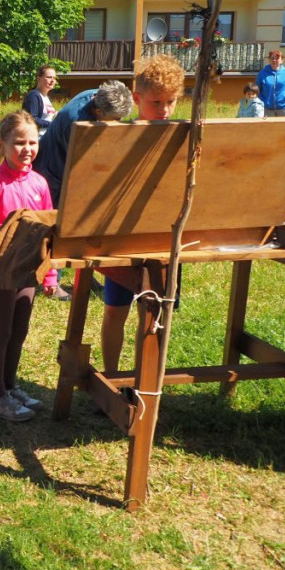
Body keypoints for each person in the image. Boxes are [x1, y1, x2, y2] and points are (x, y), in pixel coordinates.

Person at [99, 55, 185, 373]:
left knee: (152, 315)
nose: (164, 110)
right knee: (114, 310)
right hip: (122, 240)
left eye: (171, 102)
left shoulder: (181, 137)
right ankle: (110, 375)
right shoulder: (118, 139)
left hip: (162, 239)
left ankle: (142, 378)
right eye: (156, 102)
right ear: (137, 99)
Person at [0, 110, 57, 421]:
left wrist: (50, 274)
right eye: (19, 142)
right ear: (2, 144)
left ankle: (10, 386)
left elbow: (49, 233)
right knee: (1, 332)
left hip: (28, 271)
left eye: (33, 142)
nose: (27, 149)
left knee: (19, 331)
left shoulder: (40, 183)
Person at [33, 79, 134, 208]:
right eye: (117, 119)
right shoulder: (77, 122)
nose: (119, 122)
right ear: (99, 112)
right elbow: (84, 167)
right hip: (52, 172)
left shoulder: (99, 95)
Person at [256, 50, 285, 117]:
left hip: (284, 109)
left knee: (284, 127)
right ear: (269, 60)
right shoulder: (262, 74)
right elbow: (257, 90)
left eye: (277, 58)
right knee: (268, 127)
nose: (274, 60)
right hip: (267, 109)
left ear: (282, 60)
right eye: (272, 58)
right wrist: (263, 102)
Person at [22, 66, 58, 136]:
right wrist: (52, 124)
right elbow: (31, 119)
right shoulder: (33, 95)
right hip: (37, 138)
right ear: (38, 79)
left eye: (54, 78)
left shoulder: (47, 98)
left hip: (47, 137)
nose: (52, 80)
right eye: (49, 77)